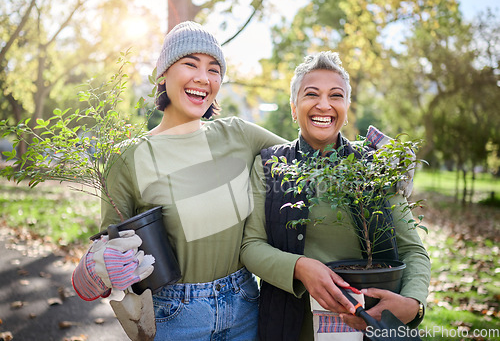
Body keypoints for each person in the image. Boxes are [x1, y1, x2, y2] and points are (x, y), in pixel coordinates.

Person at [71, 21, 288, 340]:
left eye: (214, 69)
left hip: (246, 305)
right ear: (163, 74)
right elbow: (108, 252)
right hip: (173, 317)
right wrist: (97, 267)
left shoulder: (240, 135)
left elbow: (306, 158)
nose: (203, 77)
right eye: (190, 64)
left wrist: (376, 154)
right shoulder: (129, 157)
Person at [240, 51, 431, 340]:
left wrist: (413, 304)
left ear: (347, 107)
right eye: (311, 94)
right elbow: (251, 245)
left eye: (336, 96)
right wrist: (300, 268)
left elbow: (412, 249)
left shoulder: (375, 165)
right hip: (289, 323)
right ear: (294, 108)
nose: (324, 105)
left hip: (371, 322)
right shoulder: (269, 165)